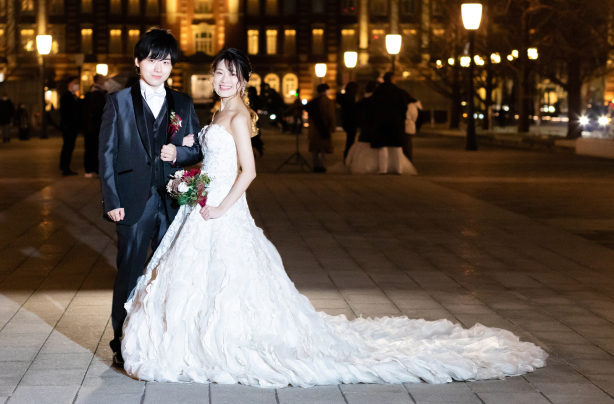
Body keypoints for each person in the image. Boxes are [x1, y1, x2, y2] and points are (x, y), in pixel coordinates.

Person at [120, 48, 547, 387]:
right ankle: (195, 336)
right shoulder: (217, 113)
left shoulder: (237, 115)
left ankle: (223, 341)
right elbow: (216, 163)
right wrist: (191, 178)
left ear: (244, 80)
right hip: (204, 206)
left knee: (232, 282)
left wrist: (219, 207)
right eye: (218, 72)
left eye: (231, 74)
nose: (223, 79)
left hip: (222, 210)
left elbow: (249, 171)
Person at [99, 29, 203, 366]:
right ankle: (121, 341)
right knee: (129, 270)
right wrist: (111, 200)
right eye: (153, 60)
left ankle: (162, 339)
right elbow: (107, 154)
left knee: (170, 272)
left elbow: (199, 148)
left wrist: (178, 154)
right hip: (132, 200)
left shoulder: (183, 103)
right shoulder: (118, 102)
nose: (159, 68)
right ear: (138, 61)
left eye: (166, 61)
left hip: (173, 201)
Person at [370, 72, 409, 175]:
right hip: (395, 121)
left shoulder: (378, 91)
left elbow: (372, 107)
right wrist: (402, 118)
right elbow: (404, 107)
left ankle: (383, 169)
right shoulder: (398, 91)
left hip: (381, 121)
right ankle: (398, 169)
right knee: (397, 146)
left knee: (383, 146)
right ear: (392, 79)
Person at [306, 83, 336, 173]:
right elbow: (330, 115)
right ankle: (322, 165)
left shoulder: (313, 101)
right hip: (323, 127)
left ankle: (315, 165)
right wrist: (333, 127)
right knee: (323, 148)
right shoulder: (327, 101)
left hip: (314, 128)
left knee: (315, 149)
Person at [83, 74, 108, 178]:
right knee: (93, 148)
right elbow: (98, 110)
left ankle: (93, 169)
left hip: (93, 126)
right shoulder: (96, 94)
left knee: (93, 148)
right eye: (102, 79)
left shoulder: (96, 92)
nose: (105, 81)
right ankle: (91, 169)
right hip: (95, 126)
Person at [59, 79, 81, 176]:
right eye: (75, 83)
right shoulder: (66, 96)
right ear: (70, 84)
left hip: (72, 126)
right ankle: (65, 167)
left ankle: (65, 166)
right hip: (68, 126)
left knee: (69, 147)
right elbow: (66, 112)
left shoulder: (73, 96)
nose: (77, 85)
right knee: (68, 146)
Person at [338, 82, 359, 161]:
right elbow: (352, 110)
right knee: (350, 141)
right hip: (351, 122)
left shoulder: (346, 97)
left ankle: (347, 158)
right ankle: (347, 158)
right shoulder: (350, 98)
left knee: (349, 141)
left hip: (347, 121)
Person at [403, 95, 422, 161]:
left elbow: (408, 117)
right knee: (408, 144)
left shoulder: (410, 106)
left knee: (407, 145)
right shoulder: (413, 106)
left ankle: (408, 160)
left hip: (407, 127)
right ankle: (409, 159)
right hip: (410, 127)